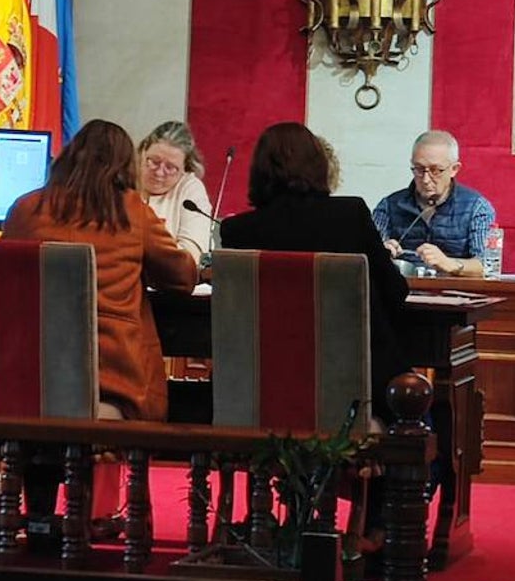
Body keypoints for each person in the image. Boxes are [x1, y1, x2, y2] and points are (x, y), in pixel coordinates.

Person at [5, 119, 200, 420]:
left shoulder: (25, 209)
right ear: (127, 166)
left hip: (31, 373)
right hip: (113, 383)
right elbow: (183, 277)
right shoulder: (132, 211)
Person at [219, 122, 411, 426]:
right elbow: (395, 291)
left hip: (265, 387)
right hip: (356, 384)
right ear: (319, 165)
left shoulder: (238, 231)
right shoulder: (350, 216)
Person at [371, 130, 496, 278]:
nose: (425, 179)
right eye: (419, 169)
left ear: (454, 169)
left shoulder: (476, 208)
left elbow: (486, 265)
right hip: (402, 293)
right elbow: (364, 258)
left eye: (435, 170)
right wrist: (381, 254)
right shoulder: (389, 206)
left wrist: (450, 264)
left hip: (457, 295)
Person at [137, 120, 213, 266]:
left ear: (185, 167)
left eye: (170, 167)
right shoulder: (125, 178)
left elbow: (189, 257)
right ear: (143, 150)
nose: (159, 172)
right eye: (153, 161)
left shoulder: (191, 189)